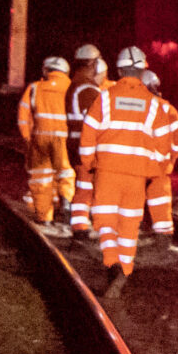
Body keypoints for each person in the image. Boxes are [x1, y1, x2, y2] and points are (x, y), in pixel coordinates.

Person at [80, 47, 162, 301]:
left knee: (106, 224)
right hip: (135, 177)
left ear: (118, 71)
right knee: (128, 226)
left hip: (107, 174)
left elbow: (88, 135)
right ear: (143, 71)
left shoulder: (104, 98)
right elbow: (160, 144)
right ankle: (123, 271)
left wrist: (89, 163)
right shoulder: (152, 104)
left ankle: (112, 263)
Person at [17, 55, 75, 229]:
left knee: (41, 178)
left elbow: (23, 116)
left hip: (40, 138)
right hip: (63, 139)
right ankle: (66, 201)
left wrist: (28, 138)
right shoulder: (72, 88)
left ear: (45, 71)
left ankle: (45, 217)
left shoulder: (35, 88)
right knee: (65, 173)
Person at [65, 44, 108, 239]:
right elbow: (99, 120)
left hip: (76, 143)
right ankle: (82, 227)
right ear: (94, 63)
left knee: (84, 186)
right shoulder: (88, 88)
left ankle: (81, 224)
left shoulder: (76, 83)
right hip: (86, 146)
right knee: (87, 186)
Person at [140, 67, 178, 240]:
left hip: (133, 165)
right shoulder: (167, 108)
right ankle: (163, 238)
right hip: (159, 167)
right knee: (160, 200)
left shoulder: (129, 107)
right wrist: (173, 156)